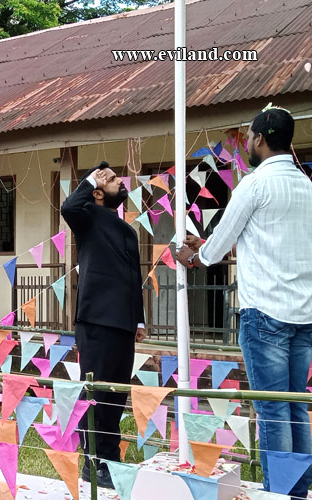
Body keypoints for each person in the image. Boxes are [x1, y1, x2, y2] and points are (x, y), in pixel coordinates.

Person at [175, 107, 312, 497]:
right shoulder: (307, 186)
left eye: (250, 136)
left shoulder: (254, 186)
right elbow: (268, 242)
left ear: (261, 140)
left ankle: (279, 493)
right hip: (305, 315)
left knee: (271, 411)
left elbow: (217, 247)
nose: (248, 142)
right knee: (296, 408)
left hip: (265, 315)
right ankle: (299, 492)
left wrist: (196, 255)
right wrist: (208, 249)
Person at [61, 161, 145, 488]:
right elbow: (69, 205)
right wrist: (90, 178)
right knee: (95, 391)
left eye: (115, 177)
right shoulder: (86, 217)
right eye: (109, 179)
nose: (118, 181)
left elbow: (134, 277)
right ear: (96, 192)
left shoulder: (127, 229)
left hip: (124, 321)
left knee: (116, 394)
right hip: (96, 318)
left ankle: (111, 458)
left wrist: (138, 318)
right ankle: (93, 460)